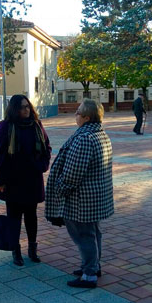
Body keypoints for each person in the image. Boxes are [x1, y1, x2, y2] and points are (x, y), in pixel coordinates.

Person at [45, 99, 114, 288]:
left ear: (86, 117)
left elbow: (72, 174)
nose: (75, 115)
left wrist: (59, 188)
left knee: (84, 236)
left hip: (82, 199)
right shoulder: (100, 134)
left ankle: (89, 275)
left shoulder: (84, 138)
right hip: (95, 196)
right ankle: (92, 265)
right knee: (93, 233)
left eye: (77, 112)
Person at [0, 95, 52, 266]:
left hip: (32, 178)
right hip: (13, 180)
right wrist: (0, 181)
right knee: (14, 217)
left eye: (27, 106)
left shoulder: (36, 124)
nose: (26, 110)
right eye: (21, 107)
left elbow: (46, 147)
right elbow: (0, 155)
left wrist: (42, 164)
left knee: (31, 216)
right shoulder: (6, 126)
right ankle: (15, 250)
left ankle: (32, 249)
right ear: (14, 109)